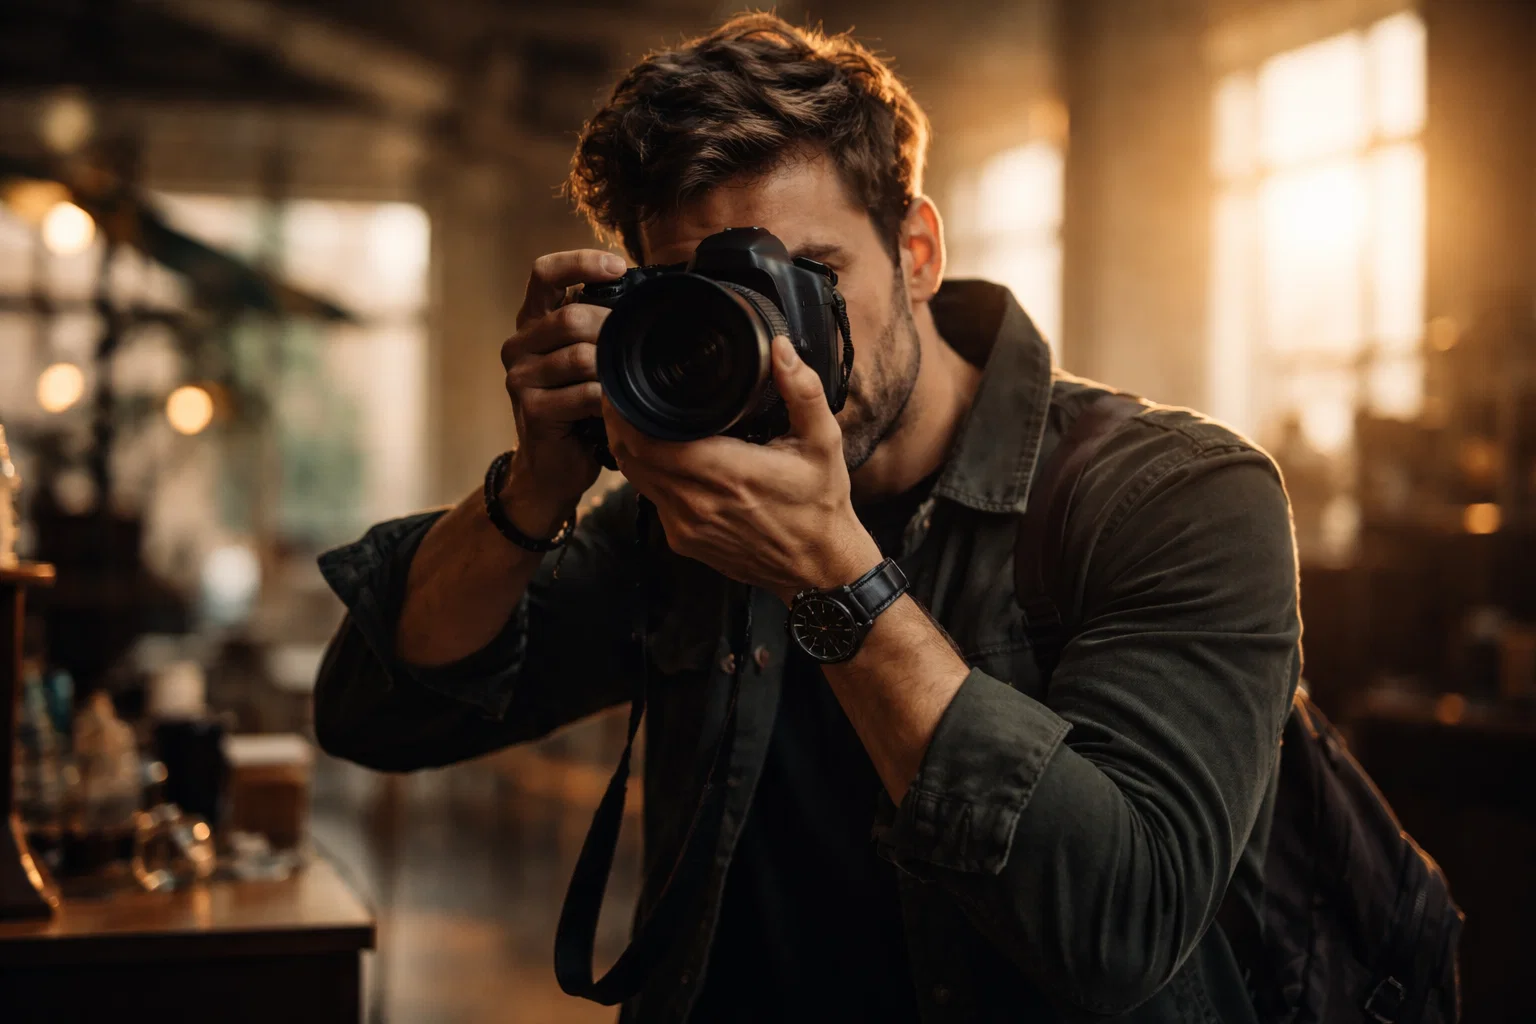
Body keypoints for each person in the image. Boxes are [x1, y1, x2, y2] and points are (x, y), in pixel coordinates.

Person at [313, 14, 1299, 1024]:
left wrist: (834, 575)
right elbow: (375, 712)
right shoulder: (689, 510)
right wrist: (532, 490)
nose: (778, 338)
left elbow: (1123, 927)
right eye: (720, 299)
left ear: (917, 252)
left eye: (811, 279)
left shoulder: (1175, 497)